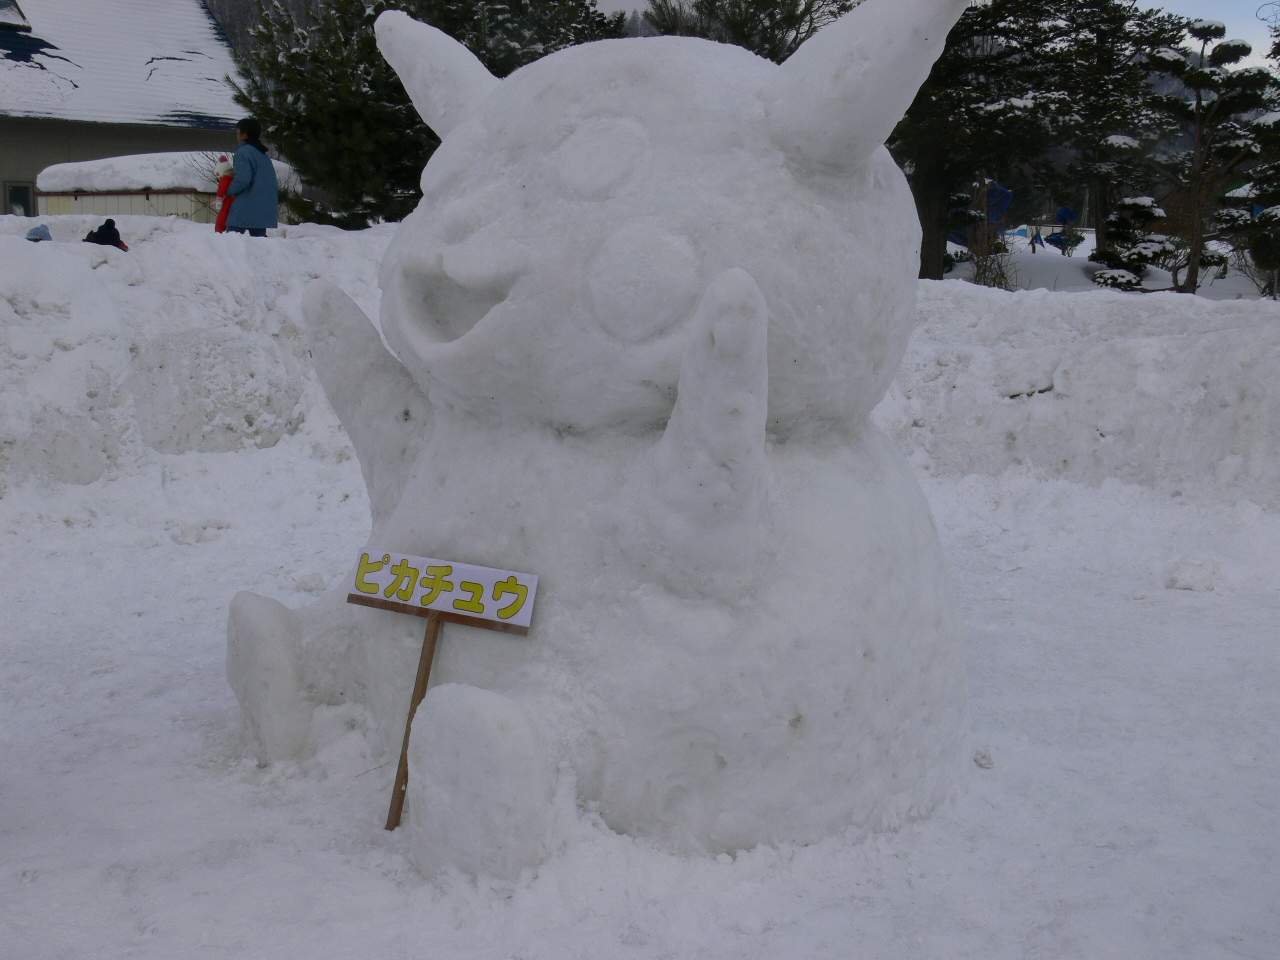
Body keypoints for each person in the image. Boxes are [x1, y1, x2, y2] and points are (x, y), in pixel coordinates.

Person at [224, 118, 279, 237]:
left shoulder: (243, 153)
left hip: (245, 207)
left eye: (238, 132)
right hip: (264, 207)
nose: (237, 136)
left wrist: (225, 190)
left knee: (231, 241)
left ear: (244, 134)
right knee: (260, 243)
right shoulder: (262, 155)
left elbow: (242, 180)